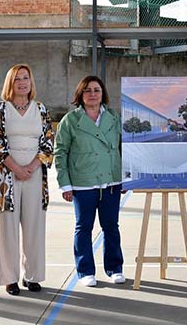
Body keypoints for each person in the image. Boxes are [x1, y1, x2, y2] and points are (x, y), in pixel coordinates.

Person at [0, 64, 54, 296]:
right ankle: (10, 278)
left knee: (35, 227)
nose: (22, 82)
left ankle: (33, 276)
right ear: (10, 83)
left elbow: (48, 141)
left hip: (35, 175)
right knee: (7, 228)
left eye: (26, 78)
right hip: (8, 176)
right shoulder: (0, 109)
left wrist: (32, 167)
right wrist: (16, 168)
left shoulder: (41, 108)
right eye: (17, 79)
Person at [55, 75, 125, 287]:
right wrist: (65, 184)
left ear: (103, 93)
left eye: (96, 90)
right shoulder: (70, 120)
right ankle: (85, 270)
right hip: (82, 182)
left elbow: (124, 148)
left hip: (110, 181)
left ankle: (115, 268)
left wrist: (125, 178)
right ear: (80, 95)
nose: (92, 94)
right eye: (87, 90)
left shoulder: (114, 117)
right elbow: (60, 152)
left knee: (111, 226)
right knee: (83, 227)